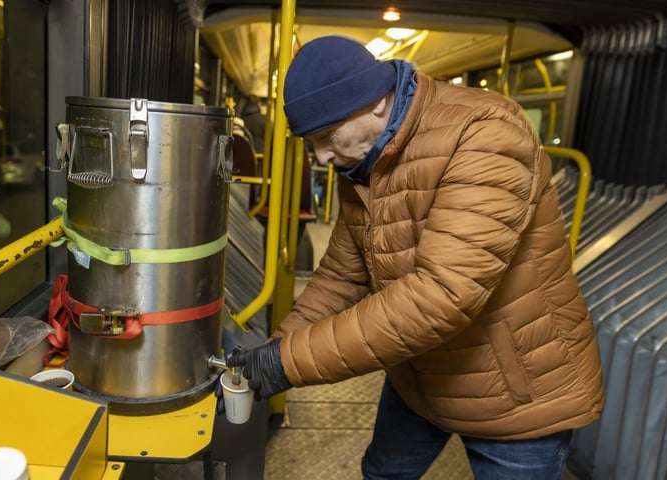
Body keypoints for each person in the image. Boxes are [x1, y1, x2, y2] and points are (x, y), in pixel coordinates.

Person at [226, 35, 605, 479]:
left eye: (327, 137)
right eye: (312, 143)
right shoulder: (362, 157)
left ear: (377, 104)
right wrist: (278, 347)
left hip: (515, 392)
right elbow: (342, 275)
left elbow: (442, 295)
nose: (321, 157)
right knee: (383, 473)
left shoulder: (484, 132)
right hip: (420, 373)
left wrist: (287, 364)